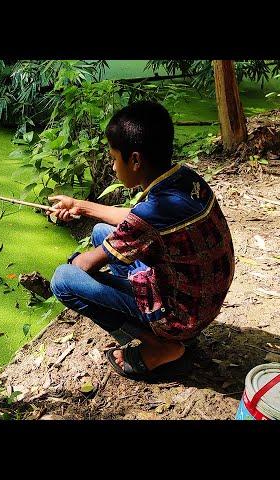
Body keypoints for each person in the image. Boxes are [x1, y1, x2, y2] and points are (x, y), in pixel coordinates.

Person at [47, 101, 235, 379]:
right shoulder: (184, 179)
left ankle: (159, 345)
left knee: (63, 280)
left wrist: (75, 261)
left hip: (183, 317)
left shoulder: (148, 215)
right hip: (202, 299)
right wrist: (80, 206)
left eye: (113, 158)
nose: (112, 166)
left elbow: (84, 264)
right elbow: (136, 219)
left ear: (135, 160)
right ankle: (159, 331)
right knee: (101, 232)